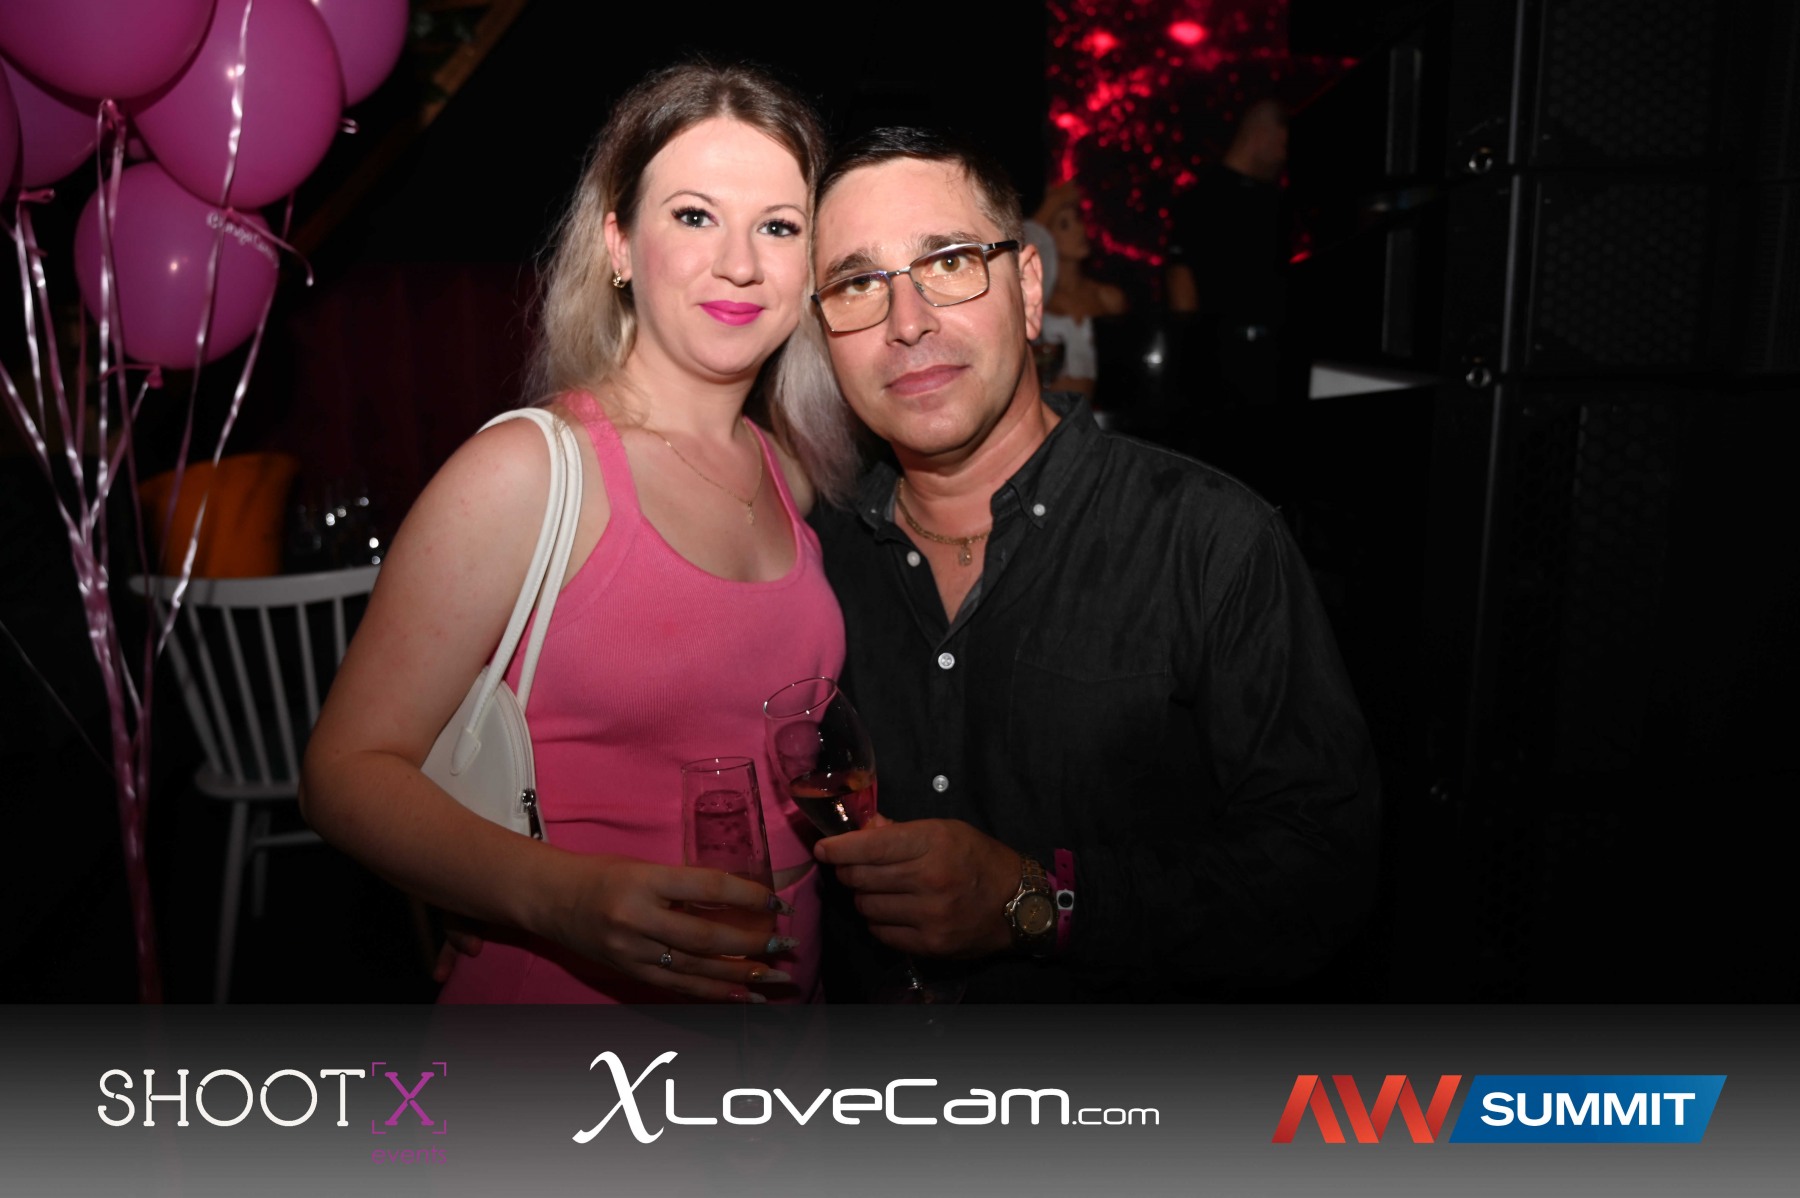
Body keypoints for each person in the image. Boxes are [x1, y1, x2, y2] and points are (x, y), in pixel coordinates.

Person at [300, 62, 857, 1004]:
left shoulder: (786, 470)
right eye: (694, 216)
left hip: (777, 1015)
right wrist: (562, 901)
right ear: (618, 244)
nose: (740, 263)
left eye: (778, 226)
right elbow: (342, 774)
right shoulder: (526, 471)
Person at [803, 128, 1379, 1001]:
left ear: (1029, 290)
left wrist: (1036, 900)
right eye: (857, 284)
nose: (906, 321)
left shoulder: (1210, 543)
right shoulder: (811, 561)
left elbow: (1323, 876)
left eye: (950, 263)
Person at [1165, 99, 1291, 410]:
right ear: (1260, 136)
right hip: (1218, 362)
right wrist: (1194, 356)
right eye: (1282, 145)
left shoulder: (1277, 202)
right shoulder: (1202, 199)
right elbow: (1181, 281)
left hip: (1274, 357)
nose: (1283, 156)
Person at [1028, 180, 1127, 398]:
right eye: (1064, 225)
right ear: (1046, 238)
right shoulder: (1037, 298)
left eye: (1079, 220)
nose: (1080, 230)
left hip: (1099, 412)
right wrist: (1055, 201)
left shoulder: (1108, 297)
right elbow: (1024, 243)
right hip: (1049, 410)